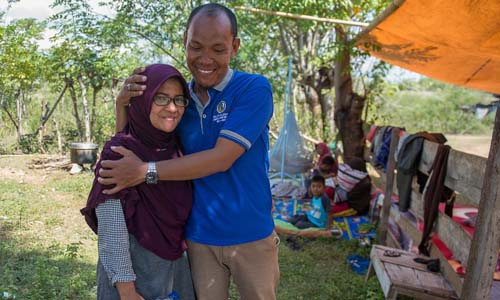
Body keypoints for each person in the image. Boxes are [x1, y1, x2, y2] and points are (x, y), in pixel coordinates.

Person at [97, 4, 279, 300]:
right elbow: (136, 143)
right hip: (198, 238)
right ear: (184, 41)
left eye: (218, 49)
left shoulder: (253, 89)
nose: (205, 59)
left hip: (252, 235)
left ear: (234, 47)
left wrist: (145, 172)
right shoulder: (181, 101)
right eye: (195, 47)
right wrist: (123, 106)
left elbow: (222, 157)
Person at [80, 64, 195, 300]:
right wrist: (127, 291)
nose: (172, 108)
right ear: (143, 100)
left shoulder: (176, 149)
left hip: (174, 271)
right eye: (161, 98)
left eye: (179, 99)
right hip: (133, 276)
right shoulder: (120, 152)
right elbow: (111, 227)